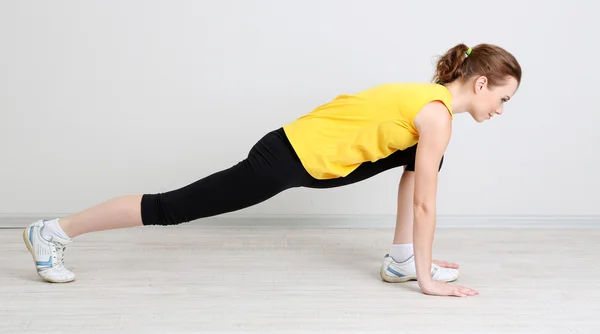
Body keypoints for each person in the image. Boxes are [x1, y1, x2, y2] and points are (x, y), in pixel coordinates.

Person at [22, 42, 521, 297]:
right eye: (502, 98)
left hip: (311, 160)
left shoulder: (427, 104)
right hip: (284, 159)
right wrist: (431, 286)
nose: (501, 110)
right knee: (171, 207)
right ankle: (54, 231)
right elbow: (424, 202)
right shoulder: (435, 115)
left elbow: (416, 176)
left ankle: (400, 260)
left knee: (418, 158)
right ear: (479, 84)